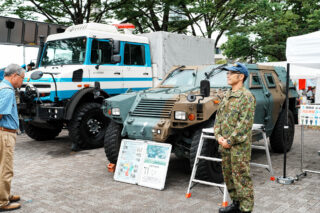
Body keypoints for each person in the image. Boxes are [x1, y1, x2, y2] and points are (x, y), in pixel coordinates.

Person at [214, 62, 256, 213]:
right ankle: (236, 204)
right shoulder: (227, 95)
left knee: (241, 177)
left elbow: (245, 123)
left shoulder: (247, 97)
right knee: (229, 176)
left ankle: (246, 209)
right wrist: (218, 136)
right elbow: (218, 118)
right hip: (224, 144)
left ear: (241, 76)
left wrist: (230, 141)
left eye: (232, 73)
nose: (228, 75)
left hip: (238, 147)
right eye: (228, 73)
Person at [0, 64, 25, 211]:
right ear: (14, 76)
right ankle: (3, 202)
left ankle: (5, 194)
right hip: (5, 134)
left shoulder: (1, 87)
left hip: (4, 132)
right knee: (6, 168)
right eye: (22, 78)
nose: (22, 81)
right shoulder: (8, 91)